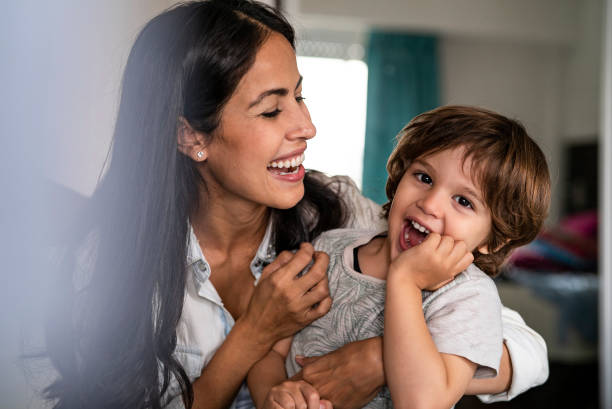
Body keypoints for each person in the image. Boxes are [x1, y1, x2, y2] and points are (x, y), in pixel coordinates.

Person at [42, 1, 548, 408]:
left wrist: (380, 357)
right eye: (271, 109)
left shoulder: (341, 213)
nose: (306, 127)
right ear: (190, 134)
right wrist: (256, 333)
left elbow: (525, 346)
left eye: (300, 97)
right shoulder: (108, 266)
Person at [247, 106, 551, 409]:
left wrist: (405, 280)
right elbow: (271, 351)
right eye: (424, 177)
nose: (430, 203)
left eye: (463, 201)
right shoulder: (329, 247)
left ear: (494, 239)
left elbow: (422, 403)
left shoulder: (468, 298)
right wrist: (274, 395)